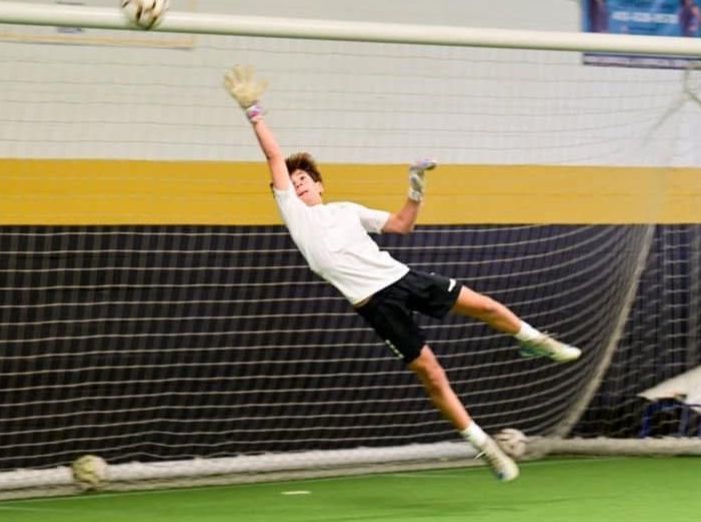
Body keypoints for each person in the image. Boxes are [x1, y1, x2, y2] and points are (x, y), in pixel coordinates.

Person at [222, 65, 581, 481]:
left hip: (403, 278)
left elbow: (401, 225)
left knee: (481, 304)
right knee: (431, 373)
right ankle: (484, 447)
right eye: (292, 181)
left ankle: (535, 341)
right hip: (376, 305)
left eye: (305, 179)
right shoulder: (295, 214)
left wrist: (415, 184)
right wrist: (253, 110)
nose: (297, 184)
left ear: (320, 186)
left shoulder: (346, 210)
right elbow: (272, 156)